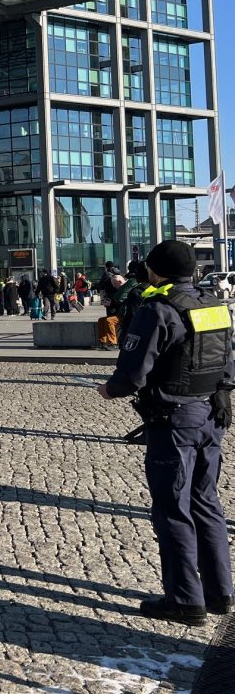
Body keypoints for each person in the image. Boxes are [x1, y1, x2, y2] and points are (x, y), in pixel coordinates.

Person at [98, 239, 233, 625]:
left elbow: (133, 371)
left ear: (155, 271)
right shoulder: (213, 306)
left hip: (174, 418)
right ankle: (220, 593)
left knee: (173, 507)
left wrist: (111, 389)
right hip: (212, 412)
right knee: (206, 502)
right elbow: (227, 360)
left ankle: (185, 600)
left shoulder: (158, 309)